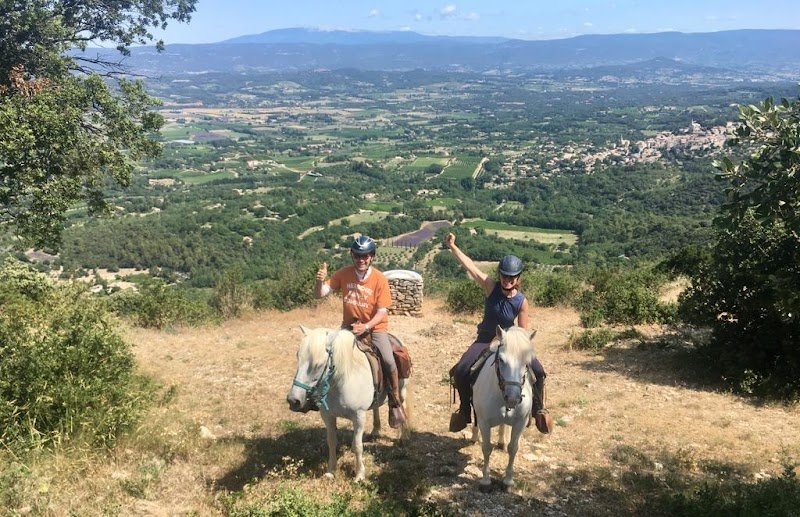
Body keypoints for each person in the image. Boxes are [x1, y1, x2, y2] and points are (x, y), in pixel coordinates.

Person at [445, 232, 553, 434]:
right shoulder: (490, 287)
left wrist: (509, 341)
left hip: (509, 342)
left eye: (511, 277)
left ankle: (538, 409)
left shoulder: (521, 302)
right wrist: (453, 246)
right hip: (484, 339)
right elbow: (471, 267)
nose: (507, 280)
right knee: (461, 369)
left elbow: (521, 332)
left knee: (538, 371)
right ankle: (465, 410)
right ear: (500, 275)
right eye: (504, 276)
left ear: (518, 278)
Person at [315, 234, 407, 428]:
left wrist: (366, 326)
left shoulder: (379, 279)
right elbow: (320, 294)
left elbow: (382, 312)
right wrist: (319, 281)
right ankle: (320, 394)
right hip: (348, 327)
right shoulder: (344, 273)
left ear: (371, 256)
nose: (361, 260)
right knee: (327, 353)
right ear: (352, 256)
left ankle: (394, 401)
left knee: (388, 360)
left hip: (374, 329)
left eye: (365, 256)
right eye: (357, 255)